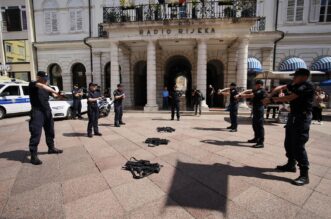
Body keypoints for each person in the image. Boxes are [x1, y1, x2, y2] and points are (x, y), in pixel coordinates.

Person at [263, 68, 315, 186]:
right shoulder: (295, 84)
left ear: (303, 77)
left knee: (298, 145)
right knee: (289, 142)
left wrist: (271, 99)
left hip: (302, 118)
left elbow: (289, 98)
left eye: (295, 76)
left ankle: (304, 175)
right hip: (293, 117)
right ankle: (291, 164)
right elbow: (280, 88)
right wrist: (271, 93)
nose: (293, 78)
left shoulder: (307, 86)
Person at [28, 71, 63, 165]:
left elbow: (55, 96)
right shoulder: (33, 84)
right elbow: (42, 86)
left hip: (47, 111)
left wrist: (60, 96)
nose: (45, 80)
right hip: (37, 112)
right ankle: (33, 155)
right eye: (44, 78)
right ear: (38, 77)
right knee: (36, 133)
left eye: (46, 78)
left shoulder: (48, 87)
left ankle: (51, 148)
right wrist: (54, 91)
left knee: (50, 130)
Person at [236, 80, 267, 148]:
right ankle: (256, 138)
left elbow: (250, 95)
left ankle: (261, 142)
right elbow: (249, 90)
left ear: (259, 85)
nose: (255, 86)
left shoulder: (261, 91)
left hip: (259, 109)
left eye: (256, 85)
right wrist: (242, 92)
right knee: (255, 125)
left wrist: (240, 95)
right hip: (256, 109)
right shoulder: (256, 90)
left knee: (259, 126)